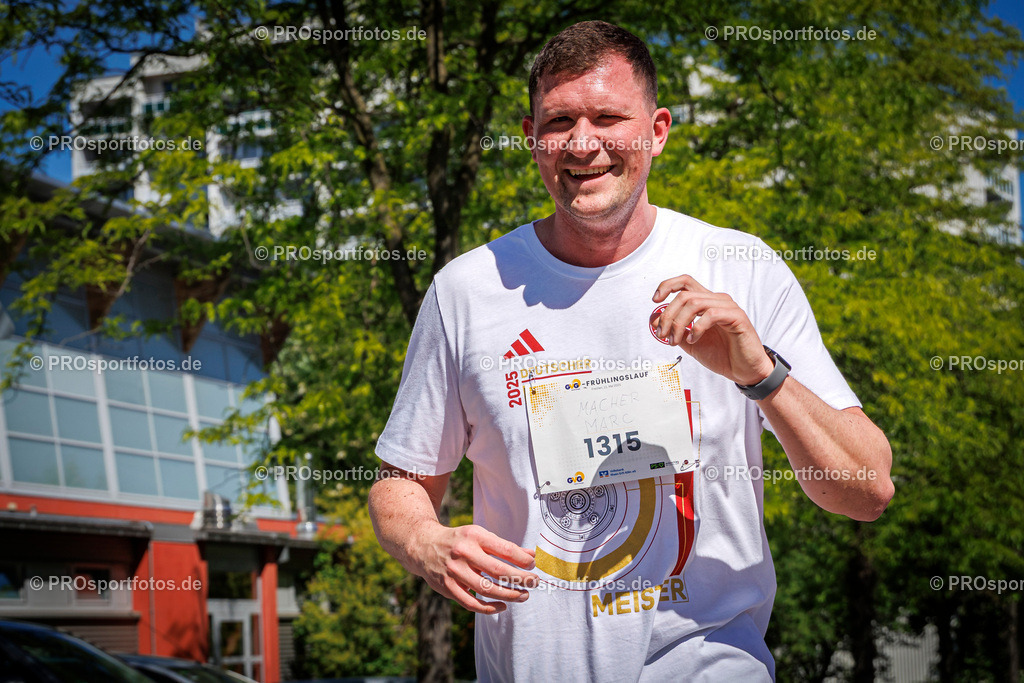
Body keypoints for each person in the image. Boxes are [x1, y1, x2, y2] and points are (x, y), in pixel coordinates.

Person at [368, 19, 893, 681]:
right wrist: (424, 540)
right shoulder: (466, 291)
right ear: (531, 138)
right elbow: (402, 484)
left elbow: (867, 487)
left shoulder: (741, 268)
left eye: (608, 117)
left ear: (658, 130)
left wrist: (759, 372)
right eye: (559, 122)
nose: (583, 144)